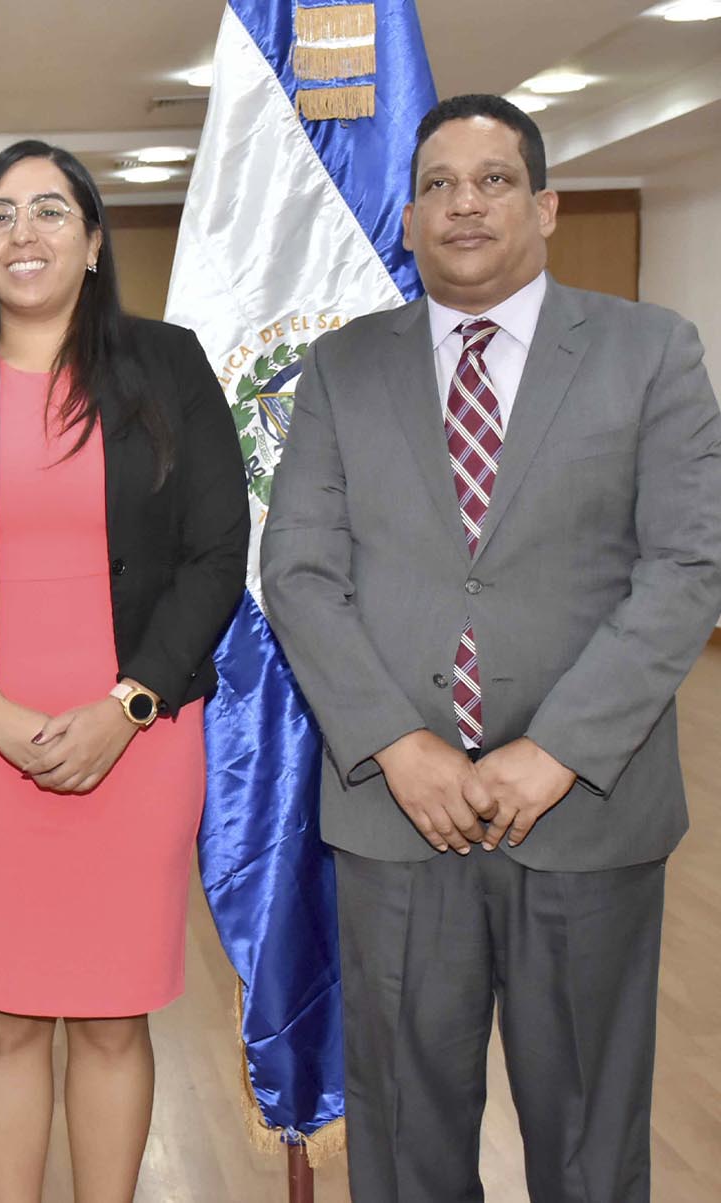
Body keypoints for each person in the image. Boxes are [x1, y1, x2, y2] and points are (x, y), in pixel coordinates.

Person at [261, 94, 721, 1202]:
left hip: (586, 808)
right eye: (437, 186)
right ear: (409, 220)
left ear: (547, 205)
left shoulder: (649, 350)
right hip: (397, 815)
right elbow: (300, 573)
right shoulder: (339, 368)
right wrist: (397, 746)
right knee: (406, 1133)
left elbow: (686, 568)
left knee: (586, 1143)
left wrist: (555, 748)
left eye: (494, 180)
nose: (464, 203)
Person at [0, 141, 248, 1203]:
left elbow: (218, 554)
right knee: (10, 1015)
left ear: (95, 241)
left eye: (50, 212)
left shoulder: (169, 364)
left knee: (118, 1015)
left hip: (141, 740)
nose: (24, 233)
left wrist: (128, 705)